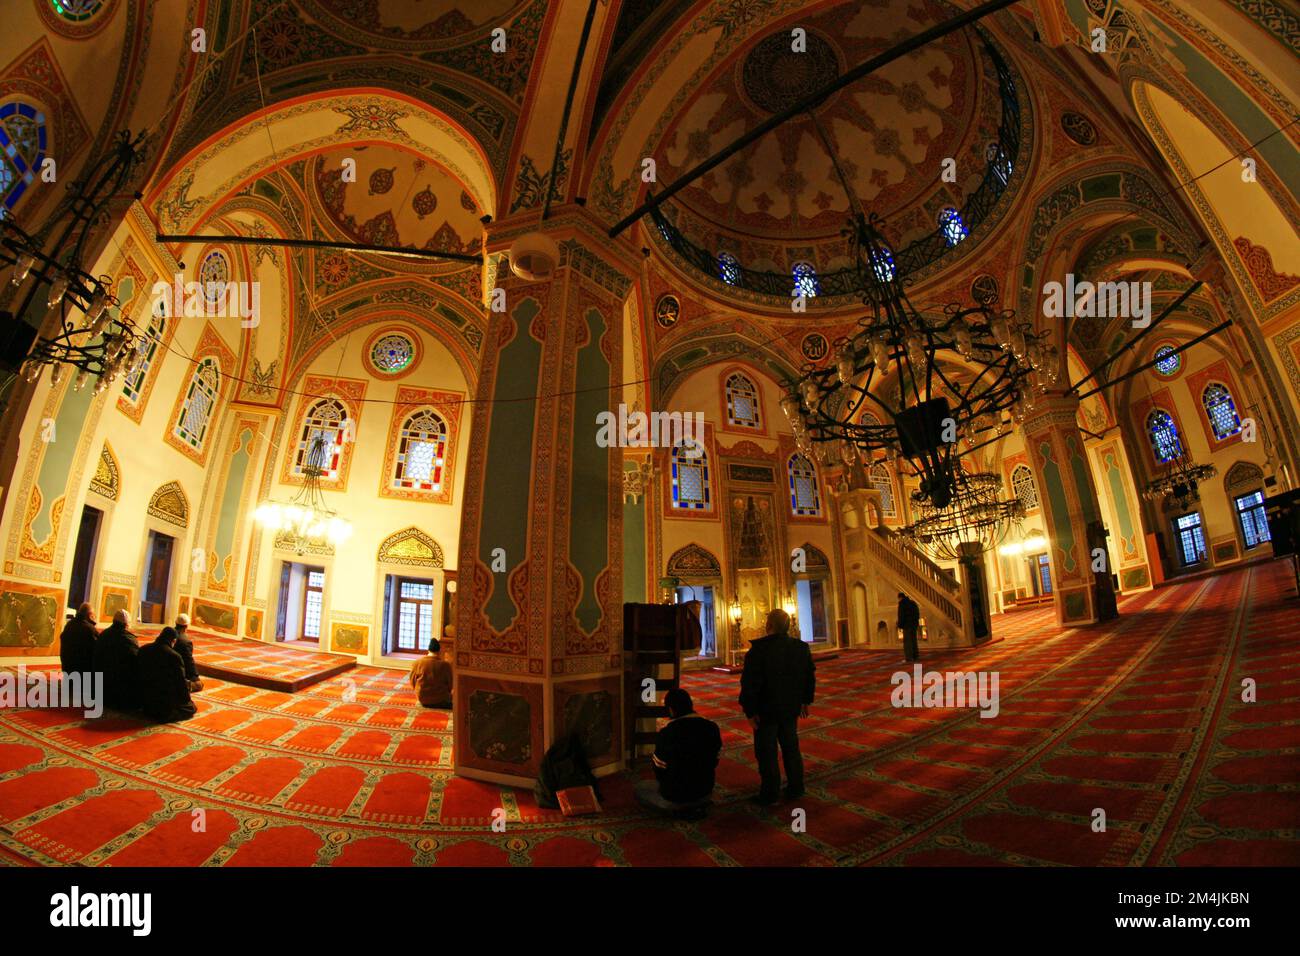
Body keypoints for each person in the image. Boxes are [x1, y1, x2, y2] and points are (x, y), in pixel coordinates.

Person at [739, 608, 815, 806]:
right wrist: (805, 701)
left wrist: (750, 711)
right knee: (791, 748)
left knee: (766, 752)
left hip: (766, 711)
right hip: (790, 708)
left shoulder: (758, 651)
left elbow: (749, 685)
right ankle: (796, 788)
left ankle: (770, 794)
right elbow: (809, 677)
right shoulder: (801, 648)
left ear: (768, 626)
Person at [634, 688, 722, 819]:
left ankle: (678, 809)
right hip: (704, 792)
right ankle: (696, 806)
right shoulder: (712, 727)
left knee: (641, 788)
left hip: (675, 796)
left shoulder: (667, 733)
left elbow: (659, 768)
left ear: (671, 709)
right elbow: (715, 760)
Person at [137, 627, 197, 723]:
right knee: (191, 708)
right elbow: (181, 684)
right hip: (164, 704)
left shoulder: (144, 649)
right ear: (173, 641)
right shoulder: (174, 657)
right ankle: (168, 715)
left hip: (144, 702)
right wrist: (187, 701)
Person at [93, 609, 141, 711]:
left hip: (101, 686)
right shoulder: (129, 639)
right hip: (119, 689)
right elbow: (136, 662)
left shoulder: (103, 635)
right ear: (126, 625)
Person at [410, 637, 453, 708]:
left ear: (428, 650)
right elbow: (451, 684)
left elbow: (412, 682)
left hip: (423, 698)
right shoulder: (445, 665)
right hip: (440, 699)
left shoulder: (417, 663)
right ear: (439, 651)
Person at [59, 603, 97, 675]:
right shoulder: (89, 629)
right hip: (83, 671)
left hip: (67, 667)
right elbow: (96, 649)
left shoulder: (69, 624)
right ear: (90, 615)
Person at [173, 613, 203, 692]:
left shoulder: (167, 634)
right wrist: (195, 677)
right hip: (175, 671)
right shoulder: (185, 642)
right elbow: (188, 661)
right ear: (186, 626)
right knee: (199, 685)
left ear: (176, 623)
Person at [898, 592, 921, 662]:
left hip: (907, 625)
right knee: (914, 640)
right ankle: (915, 656)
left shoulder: (902, 604)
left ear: (900, 598)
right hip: (914, 624)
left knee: (907, 642)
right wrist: (916, 622)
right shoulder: (912, 603)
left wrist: (900, 625)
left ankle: (909, 657)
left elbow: (901, 616)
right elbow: (917, 614)